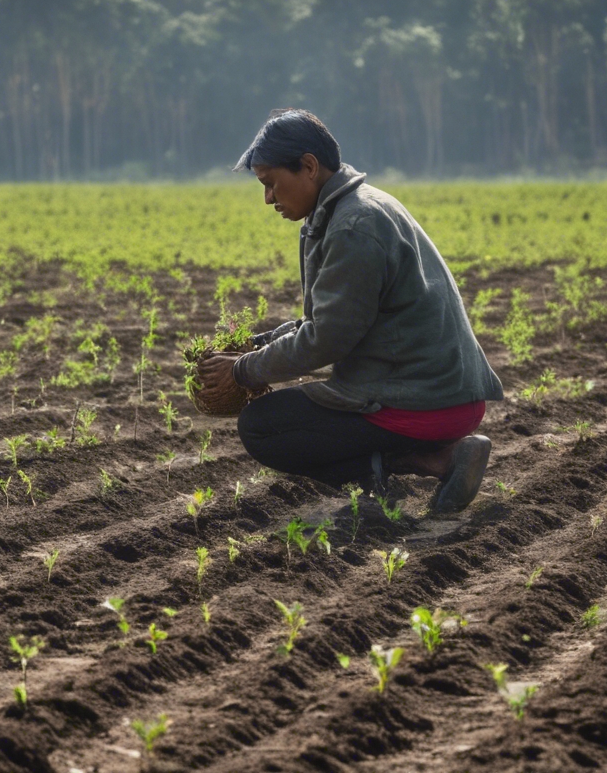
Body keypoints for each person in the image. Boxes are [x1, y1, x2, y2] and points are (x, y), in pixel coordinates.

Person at [197, 109, 503, 513]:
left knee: (264, 427)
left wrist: (241, 370)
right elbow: (324, 321)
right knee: (285, 416)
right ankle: (438, 456)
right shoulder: (353, 207)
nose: (268, 198)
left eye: (271, 184)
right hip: (442, 390)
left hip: (427, 400)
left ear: (308, 166)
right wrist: (254, 345)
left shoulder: (353, 226)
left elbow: (328, 339)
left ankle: (435, 459)